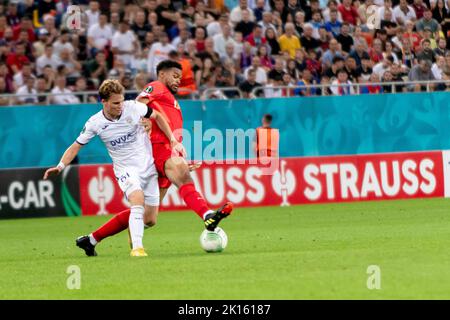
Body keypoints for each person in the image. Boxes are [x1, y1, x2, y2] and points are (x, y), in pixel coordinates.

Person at [83, 61, 234, 249]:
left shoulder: (170, 99)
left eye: (180, 77)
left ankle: (91, 240)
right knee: (181, 174)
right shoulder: (156, 86)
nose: (178, 80)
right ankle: (207, 215)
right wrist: (143, 121)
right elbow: (139, 104)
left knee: (149, 218)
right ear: (162, 74)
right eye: (175, 75)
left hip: (166, 151)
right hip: (157, 147)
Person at [43, 79, 181, 257]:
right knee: (136, 200)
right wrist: (60, 166)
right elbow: (76, 146)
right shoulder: (95, 123)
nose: (120, 106)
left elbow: (158, 116)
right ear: (104, 102)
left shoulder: (133, 107)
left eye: (122, 101)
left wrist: (172, 139)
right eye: (116, 103)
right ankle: (137, 248)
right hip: (125, 169)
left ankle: (90, 240)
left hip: (147, 166)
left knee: (150, 219)